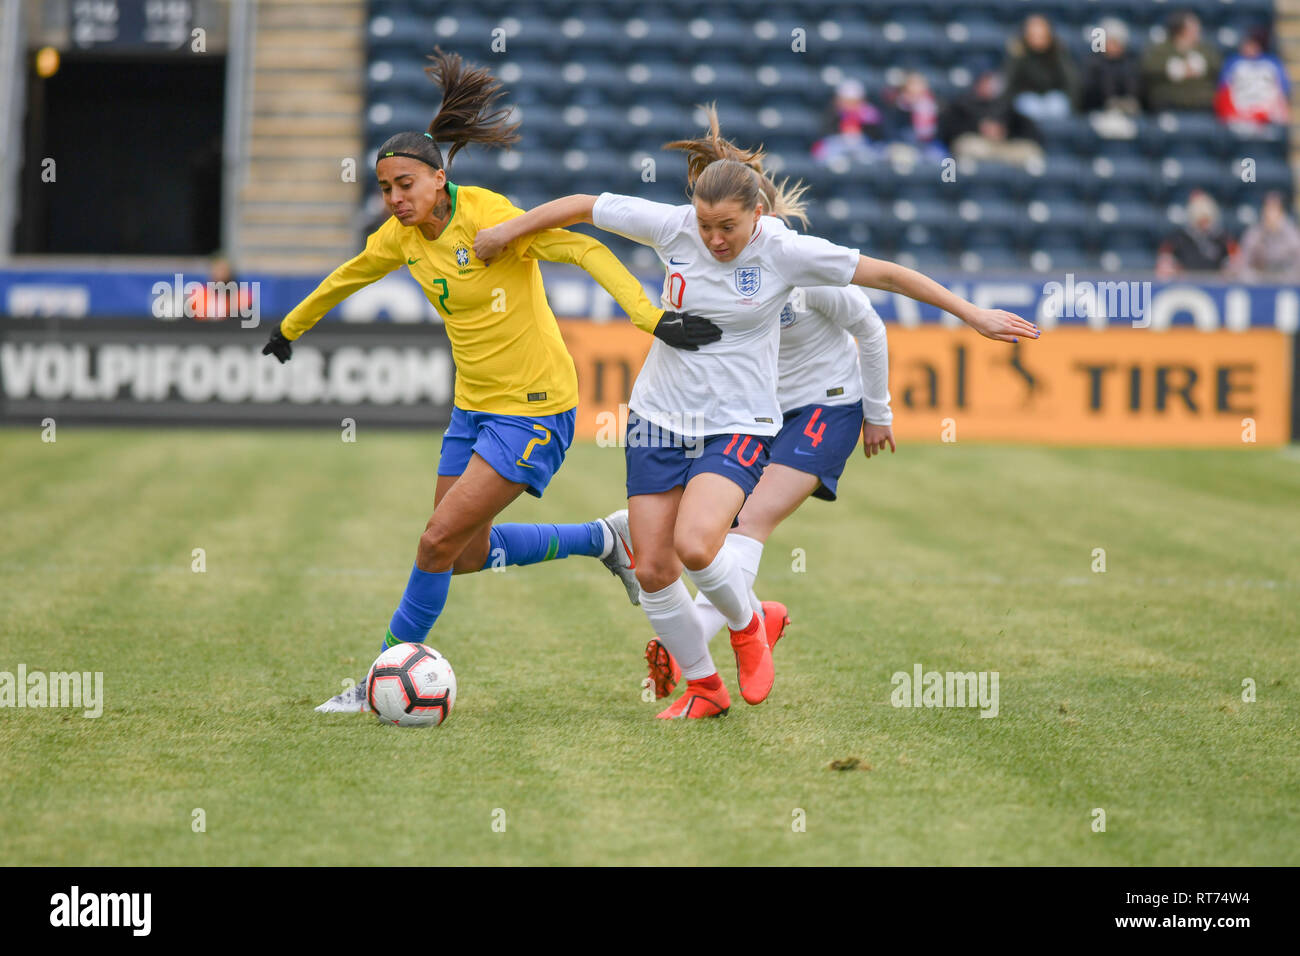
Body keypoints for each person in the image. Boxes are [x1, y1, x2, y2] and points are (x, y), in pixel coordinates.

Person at [474, 107, 1039, 719]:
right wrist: (507, 232)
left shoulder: (790, 254)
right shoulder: (673, 228)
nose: (714, 240)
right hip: (658, 416)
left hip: (746, 419)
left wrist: (971, 314)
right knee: (655, 564)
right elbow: (585, 204)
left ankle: (746, 627)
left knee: (698, 543)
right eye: (705, 225)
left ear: (759, 218)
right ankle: (705, 688)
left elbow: (887, 278)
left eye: (728, 228)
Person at [261, 50, 723, 713]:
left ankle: (373, 684)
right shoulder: (400, 238)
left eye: (406, 186)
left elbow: (583, 245)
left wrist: (651, 317)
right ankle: (605, 539)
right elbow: (349, 274)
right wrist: (290, 330)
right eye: (386, 188)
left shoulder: (489, 221)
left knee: (434, 542)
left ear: (439, 179)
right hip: (473, 410)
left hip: (535, 410)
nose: (395, 200)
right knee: (465, 554)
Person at [643, 282, 896, 700]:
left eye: (730, 227)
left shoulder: (808, 273)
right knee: (709, 530)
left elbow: (869, 325)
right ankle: (760, 617)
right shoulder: (717, 277)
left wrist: (878, 410)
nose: (718, 240)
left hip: (827, 406)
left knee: (746, 524)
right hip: (760, 412)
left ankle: (684, 648)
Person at [939, 70, 1043, 167]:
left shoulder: (1005, 105)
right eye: (986, 82)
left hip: (1003, 146)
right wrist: (979, 128)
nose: (990, 86)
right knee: (966, 146)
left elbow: (1028, 129)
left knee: (1030, 149)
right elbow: (949, 130)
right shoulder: (963, 104)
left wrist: (1004, 131)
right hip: (979, 145)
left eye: (993, 83)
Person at [1141, 11, 1222, 112]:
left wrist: (1200, 66)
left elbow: (1217, 66)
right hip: (1168, 102)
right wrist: (1176, 68)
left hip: (1201, 104)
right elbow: (1149, 67)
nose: (1198, 30)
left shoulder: (1206, 50)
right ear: (1181, 30)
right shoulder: (1161, 49)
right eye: (1193, 28)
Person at [1005, 14, 1078, 123]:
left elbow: (1071, 80)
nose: (1038, 38)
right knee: (1030, 107)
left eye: (1041, 34)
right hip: (1027, 98)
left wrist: (1072, 102)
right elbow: (1009, 83)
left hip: (1052, 97)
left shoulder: (1058, 52)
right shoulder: (1018, 54)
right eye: (1034, 34)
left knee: (1057, 105)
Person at [1215, 30, 1290, 129]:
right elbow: (1223, 89)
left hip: (1267, 117)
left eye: (1252, 44)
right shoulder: (1233, 62)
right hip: (1238, 116)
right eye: (1246, 44)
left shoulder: (1272, 62)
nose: (1248, 48)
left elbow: (1283, 90)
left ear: (1258, 46)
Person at [1155, 189, 1235, 277]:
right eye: (1201, 221)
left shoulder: (1222, 239)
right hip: (1185, 285)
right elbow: (1164, 262)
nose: (1204, 226)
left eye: (1206, 220)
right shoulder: (1178, 239)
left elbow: (1235, 262)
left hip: (1214, 284)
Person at [1081, 17, 1142, 115]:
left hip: (1127, 108)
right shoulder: (1094, 62)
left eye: (1117, 42)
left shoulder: (1131, 62)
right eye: (1110, 41)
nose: (1113, 45)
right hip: (1099, 109)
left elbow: (1136, 89)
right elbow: (1088, 91)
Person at [1234, 192, 1300, 282]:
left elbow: (1297, 263)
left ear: (1282, 212)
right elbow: (1242, 262)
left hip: (1286, 280)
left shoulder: (1292, 234)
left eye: (1274, 210)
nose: (1270, 214)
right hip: (1261, 281)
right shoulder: (1255, 232)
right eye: (1267, 209)